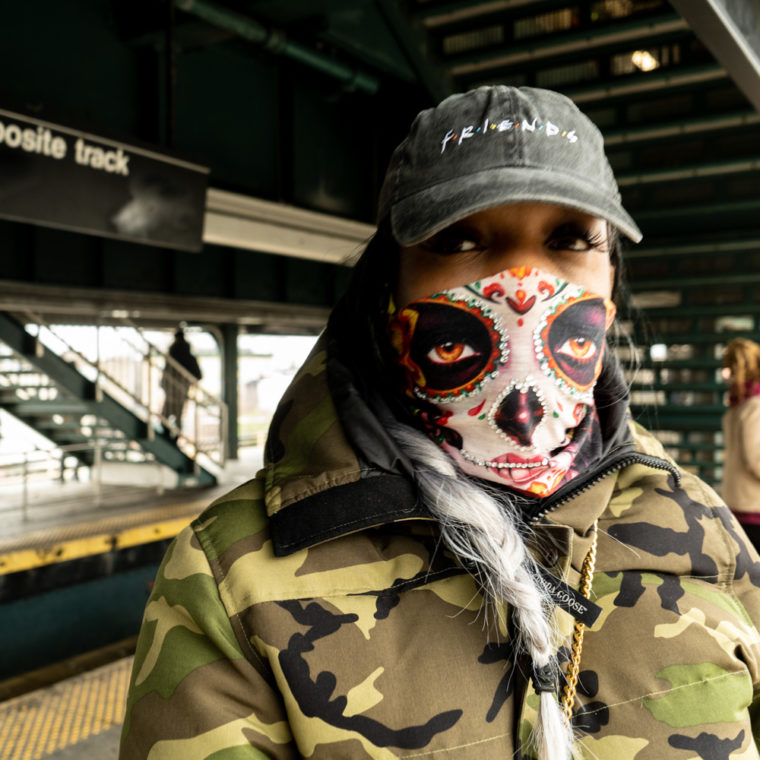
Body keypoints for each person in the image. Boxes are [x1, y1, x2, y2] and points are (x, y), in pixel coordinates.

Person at [120, 87, 760, 759]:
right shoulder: (231, 577)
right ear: (387, 290)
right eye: (459, 239)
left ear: (611, 281)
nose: (522, 282)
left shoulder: (701, 527)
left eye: (569, 238)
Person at [722, 337, 760, 549]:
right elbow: (756, 460)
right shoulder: (755, 406)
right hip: (754, 509)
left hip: (737, 503)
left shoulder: (738, 406)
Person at [160, 326, 202, 435]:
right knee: (177, 417)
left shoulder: (172, 355)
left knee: (165, 416)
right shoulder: (188, 357)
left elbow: (166, 372)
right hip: (181, 390)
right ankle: (174, 439)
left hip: (171, 390)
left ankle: (168, 437)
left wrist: (163, 384)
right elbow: (198, 375)